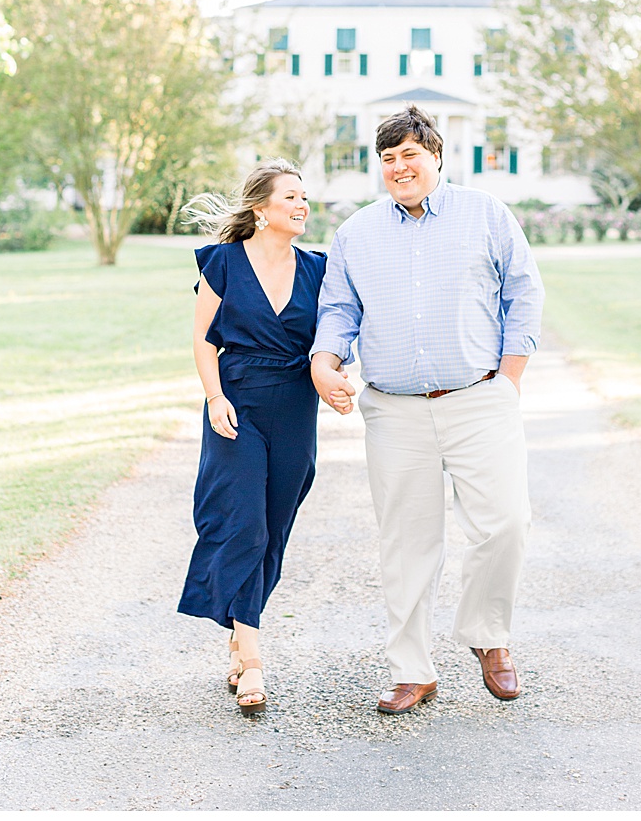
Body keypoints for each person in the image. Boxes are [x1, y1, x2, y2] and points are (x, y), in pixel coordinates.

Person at [310, 104, 543, 714]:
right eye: (386, 159)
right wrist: (324, 360)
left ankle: (488, 638)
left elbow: (524, 292)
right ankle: (412, 669)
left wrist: (510, 379)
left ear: (436, 156)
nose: (397, 167)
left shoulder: (486, 213)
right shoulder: (356, 232)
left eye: (409, 154)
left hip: (479, 398)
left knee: (506, 523)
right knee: (406, 542)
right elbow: (338, 309)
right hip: (395, 410)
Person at [178, 160, 326, 716]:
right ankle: (255, 659)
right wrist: (216, 397)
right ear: (261, 209)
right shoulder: (224, 262)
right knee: (243, 522)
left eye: (305, 197)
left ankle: (239, 639)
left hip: (294, 407)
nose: (302, 204)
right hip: (236, 402)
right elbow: (201, 337)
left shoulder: (319, 268)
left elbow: (337, 332)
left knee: (273, 530)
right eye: (291, 196)